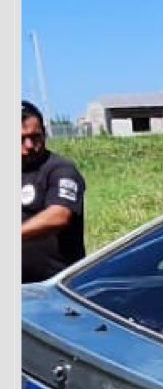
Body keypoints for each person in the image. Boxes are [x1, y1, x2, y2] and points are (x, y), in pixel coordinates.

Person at [21, 101, 86, 283]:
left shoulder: (59, 169)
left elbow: (59, 215)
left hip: (55, 288)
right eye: (20, 138)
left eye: (36, 137)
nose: (29, 145)